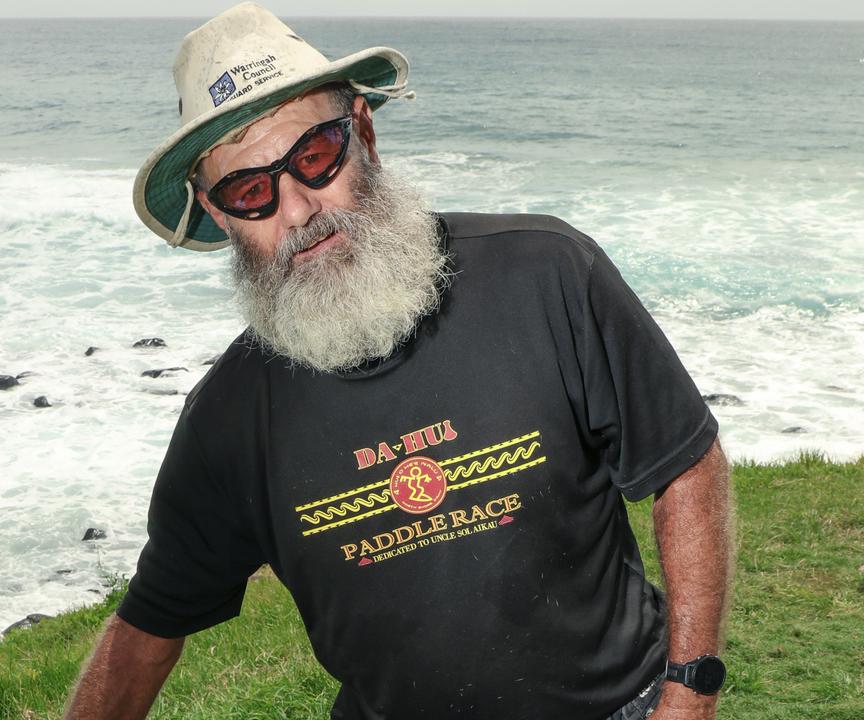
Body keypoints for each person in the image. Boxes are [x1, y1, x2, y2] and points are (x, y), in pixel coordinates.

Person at [66, 4, 734, 719]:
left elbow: (685, 464)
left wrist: (689, 689)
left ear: (364, 134)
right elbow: (147, 627)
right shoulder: (229, 420)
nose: (297, 210)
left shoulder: (548, 275)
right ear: (218, 212)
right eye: (251, 191)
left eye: (314, 156)